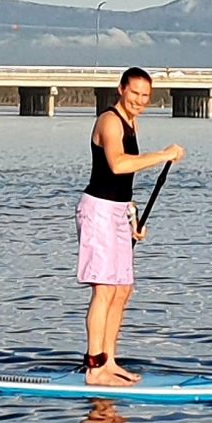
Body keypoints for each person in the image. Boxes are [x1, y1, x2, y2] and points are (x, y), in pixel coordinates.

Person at [78, 67, 184, 387]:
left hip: (118, 212)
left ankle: (109, 362)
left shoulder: (132, 121)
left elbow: (122, 182)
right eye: (135, 93)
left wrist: (132, 216)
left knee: (122, 290)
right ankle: (95, 367)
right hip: (97, 212)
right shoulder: (110, 120)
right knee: (105, 288)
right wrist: (162, 155)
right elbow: (117, 164)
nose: (140, 101)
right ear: (122, 89)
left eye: (146, 97)